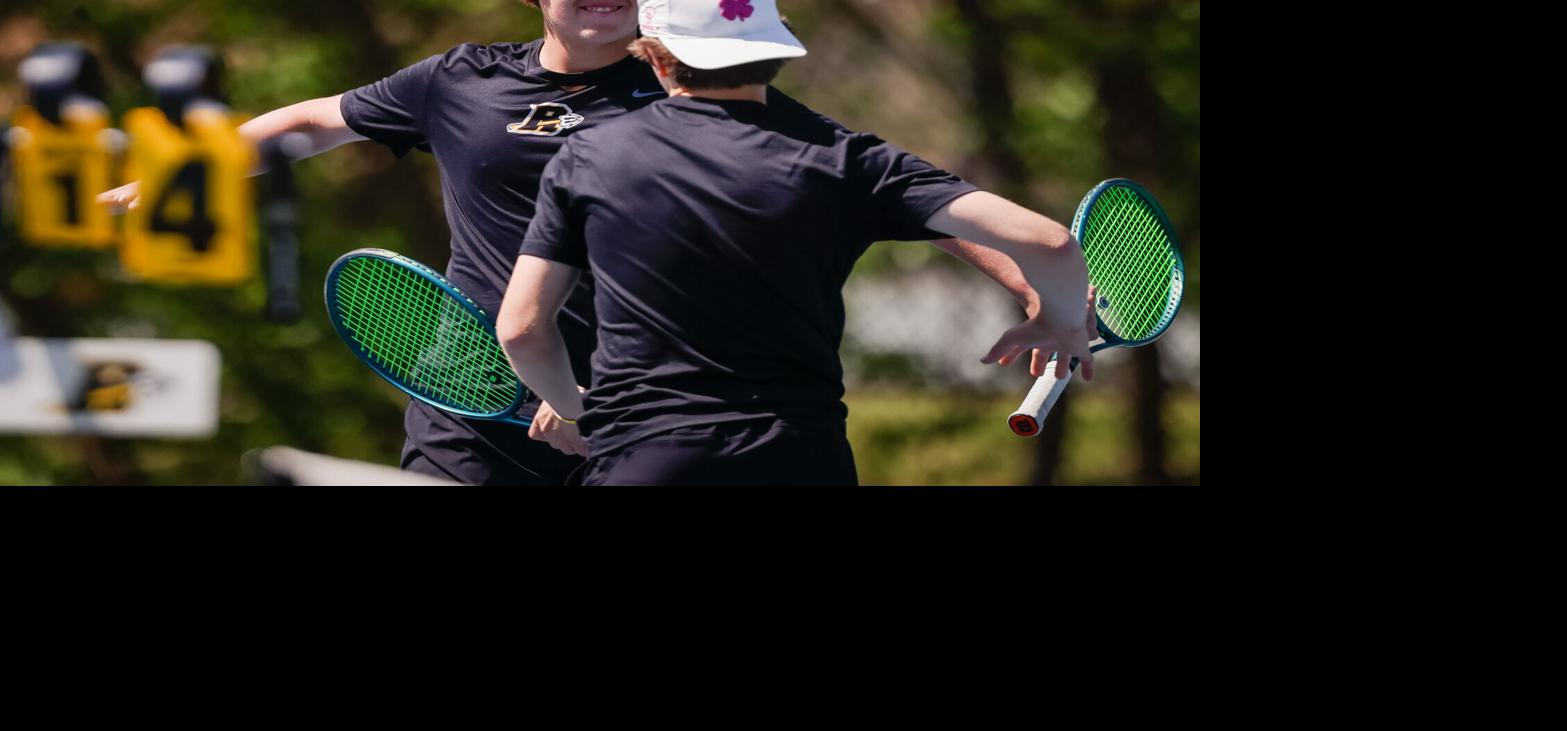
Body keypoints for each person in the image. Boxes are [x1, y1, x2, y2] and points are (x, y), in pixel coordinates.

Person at [98, 1, 1040, 485]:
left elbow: (897, 197)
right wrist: (187, 172)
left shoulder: (698, 92)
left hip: (640, 410)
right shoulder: (457, 82)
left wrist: (1029, 287)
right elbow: (309, 123)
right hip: (477, 387)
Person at [498, 0, 1094, 485]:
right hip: (802, 458)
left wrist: (574, 409)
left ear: (654, 56)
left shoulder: (591, 156)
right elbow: (1051, 243)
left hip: (649, 456)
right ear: (777, 51)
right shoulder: (849, 161)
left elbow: (522, 328)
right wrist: (1061, 322)